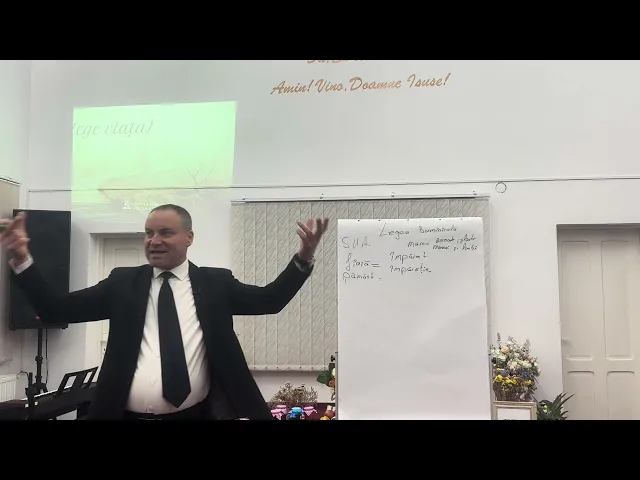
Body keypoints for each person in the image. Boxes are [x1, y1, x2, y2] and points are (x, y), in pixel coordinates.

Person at [0, 204, 328, 420]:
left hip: (196, 415)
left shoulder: (216, 284)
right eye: (148, 232)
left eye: (165, 233)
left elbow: (270, 301)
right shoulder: (122, 283)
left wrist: (303, 258)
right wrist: (21, 259)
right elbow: (55, 308)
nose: (153, 240)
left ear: (189, 238)